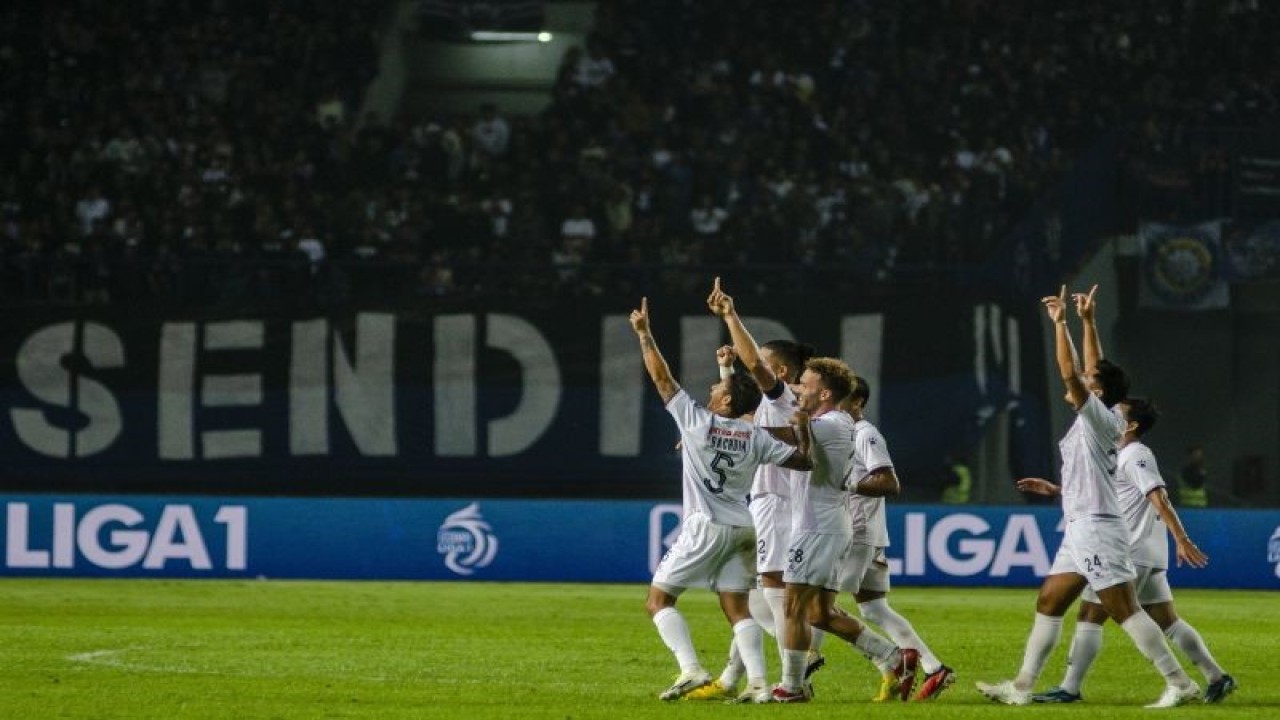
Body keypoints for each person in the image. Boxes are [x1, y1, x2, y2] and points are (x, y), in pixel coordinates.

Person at [976, 285, 1199, 709]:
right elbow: (1095, 368)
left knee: (1125, 610)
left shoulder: (1099, 417)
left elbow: (1069, 372)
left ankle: (1180, 683)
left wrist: (1060, 325)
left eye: (1088, 381)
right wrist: (1089, 322)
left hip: (1098, 528)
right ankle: (1021, 687)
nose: (1081, 377)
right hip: (1081, 525)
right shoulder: (1100, 414)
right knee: (1049, 601)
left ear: (1096, 393)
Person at [707, 278, 919, 704]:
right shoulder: (816, 418)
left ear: (821, 392)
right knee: (817, 610)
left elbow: (773, 414)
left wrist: (730, 316)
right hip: (817, 520)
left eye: (804, 384)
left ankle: (790, 685)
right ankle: (893, 657)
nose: (797, 389)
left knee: (790, 605)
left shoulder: (830, 422)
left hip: (814, 523)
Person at [629, 296, 815, 702]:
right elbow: (803, 462)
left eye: (717, 388)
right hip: (745, 526)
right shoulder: (756, 435)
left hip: (706, 526)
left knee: (658, 601)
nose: (711, 390)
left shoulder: (695, 422)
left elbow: (662, 378)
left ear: (727, 401)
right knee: (737, 608)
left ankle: (691, 669)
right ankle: (760, 683)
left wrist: (645, 335)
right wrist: (804, 430)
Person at [1017, 398, 1237, 704]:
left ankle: (1070, 688)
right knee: (1168, 621)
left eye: (1115, 413)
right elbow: (1113, 495)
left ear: (1131, 425)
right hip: (1145, 552)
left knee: (1089, 616)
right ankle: (1217, 676)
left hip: (1131, 549)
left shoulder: (1135, 454)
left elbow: (1159, 497)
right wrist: (1056, 490)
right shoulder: (1115, 454)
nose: (1107, 415)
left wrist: (1182, 538)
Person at [684, 337, 823, 702]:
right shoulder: (772, 404)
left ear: (780, 371)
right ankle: (736, 678)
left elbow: (740, 417)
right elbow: (734, 413)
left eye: (759, 361)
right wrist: (725, 371)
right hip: (775, 506)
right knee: (756, 596)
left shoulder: (782, 399)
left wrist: (730, 316)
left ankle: (800, 667)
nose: (752, 365)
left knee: (769, 598)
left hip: (776, 506)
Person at [836, 376, 956, 702]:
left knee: (815, 605)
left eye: (841, 398)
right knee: (874, 608)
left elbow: (890, 484)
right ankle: (935, 668)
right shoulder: (842, 433)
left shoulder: (865, 434)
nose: (832, 404)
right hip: (865, 532)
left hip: (856, 533)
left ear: (857, 402)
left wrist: (846, 485)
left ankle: (887, 660)